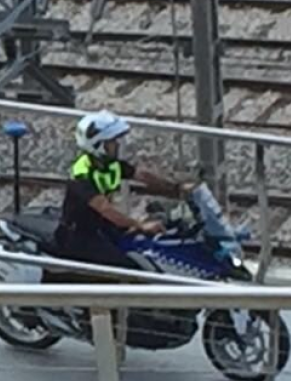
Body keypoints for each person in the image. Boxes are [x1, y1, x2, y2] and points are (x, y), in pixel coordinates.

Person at [52, 110, 194, 277]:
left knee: (143, 245)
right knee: (127, 266)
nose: (117, 145)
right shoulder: (81, 175)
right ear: (99, 145)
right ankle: (112, 301)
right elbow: (105, 209)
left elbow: (141, 175)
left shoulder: (109, 164)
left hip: (101, 226)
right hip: (79, 236)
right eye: (112, 142)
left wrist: (175, 188)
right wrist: (139, 225)